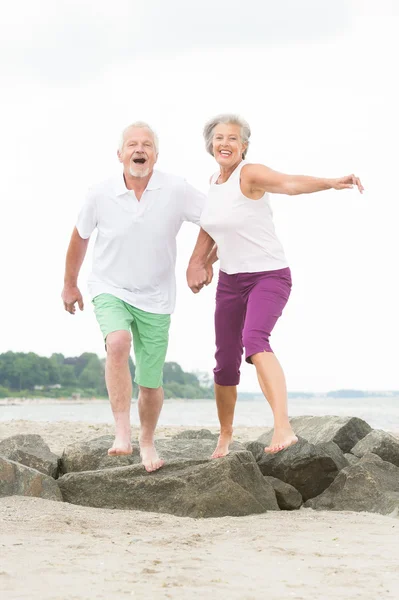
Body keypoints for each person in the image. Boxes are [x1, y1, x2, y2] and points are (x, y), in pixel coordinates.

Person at [187, 113, 364, 458]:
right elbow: (213, 227)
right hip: (230, 282)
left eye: (233, 138)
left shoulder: (250, 174)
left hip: (269, 275)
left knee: (254, 340)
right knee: (225, 360)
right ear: (210, 144)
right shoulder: (213, 182)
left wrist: (329, 181)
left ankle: (282, 425)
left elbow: (288, 183)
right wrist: (202, 262)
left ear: (244, 146)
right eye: (219, 137)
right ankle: (225, 435)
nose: (225, 143)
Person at [62, 122, 205, 472]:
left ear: (155, 155)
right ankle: (122, 433)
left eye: (146, 145)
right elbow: (79, 237)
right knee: (118, 343)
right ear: (120, 154)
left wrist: (199, 260)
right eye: (131, 145)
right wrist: (70, 284)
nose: (138, 150)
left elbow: (215, 219)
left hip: (157, 298)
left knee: (150, 381)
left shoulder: (176, 189)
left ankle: (147, 441)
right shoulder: (100, 193)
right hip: (110, 286)